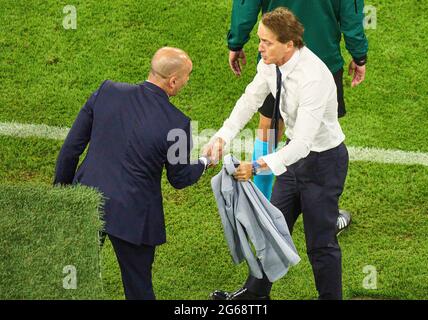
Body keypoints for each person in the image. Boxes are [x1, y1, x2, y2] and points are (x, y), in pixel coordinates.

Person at [204, 8, 349, 300]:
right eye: (259, 40)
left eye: (266, 42)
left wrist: (257, 167)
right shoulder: (270, 64)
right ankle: (255, 294)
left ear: (290, 43)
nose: (259, 47)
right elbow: (249, 99)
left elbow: (304, 143)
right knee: (268, 227)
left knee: (320, 244)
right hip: (293, 160)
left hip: (323, 163)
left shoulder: (314, 78)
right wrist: (222, 137)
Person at [54, 47, 211, 300]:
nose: (187, 81)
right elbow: (179, 178)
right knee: (139, 290)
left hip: (86, 200)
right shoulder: (178, 124)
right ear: (173, 81)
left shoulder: (107, 91)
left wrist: (61, 195)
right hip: (134, 216)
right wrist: (205, 161)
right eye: (187, 76)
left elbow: (71, 149)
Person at [227, 0, 368, 233]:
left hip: (278, 55)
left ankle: (261, 208)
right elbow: (351, 12)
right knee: (316, 135)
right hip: (323, 56)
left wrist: (237, 40)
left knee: (269, 126)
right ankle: (324, 214)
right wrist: (359, 54)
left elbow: (247, 4)